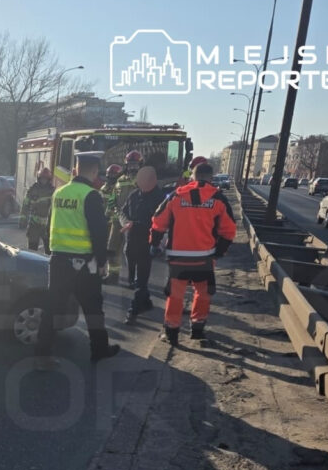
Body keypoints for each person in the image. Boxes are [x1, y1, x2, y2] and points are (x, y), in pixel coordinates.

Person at [34, 152, 120, 368]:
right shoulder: (91, 195)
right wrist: (102, 263)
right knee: (93, 307)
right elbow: (99, 233)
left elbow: (49, 225)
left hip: (58, 260)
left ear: (75, 169)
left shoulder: (59, 193)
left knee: (53, 307)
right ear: (93, 171)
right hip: (84, 264)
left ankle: (41, 355)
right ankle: (99, 350)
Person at [149, 163, 237, 345]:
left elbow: (158, 221)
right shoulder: (218, 198)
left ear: (193, 177)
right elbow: (229, 231)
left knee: (175, 294)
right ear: (210, 178)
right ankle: (197, 330)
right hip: (205, 258)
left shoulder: (176, 195)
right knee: (202, 293)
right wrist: (218, 252)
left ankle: (171, 333)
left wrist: (154, 243)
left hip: (178, 258)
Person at [120, 165, 166, 324]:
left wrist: (158, 243)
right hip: (131, 241)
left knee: (141, 279)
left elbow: (161, 222)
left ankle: (133, 311)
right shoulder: (133, 195)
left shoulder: (160, 198)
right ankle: (145, 302)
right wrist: (126, 222)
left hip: (148, 242)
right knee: (133, 279)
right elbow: (123, 212)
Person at [20, 166, 55, 253]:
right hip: (34, 224)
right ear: (39, 178)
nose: (44, 181)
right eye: (42, 179)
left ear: (49, 179)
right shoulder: (32, 190)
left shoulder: (53, 191)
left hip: (47, 227)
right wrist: (22, 219)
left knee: (49, 251)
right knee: (32, 251)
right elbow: (25, 205)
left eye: (46, 179)